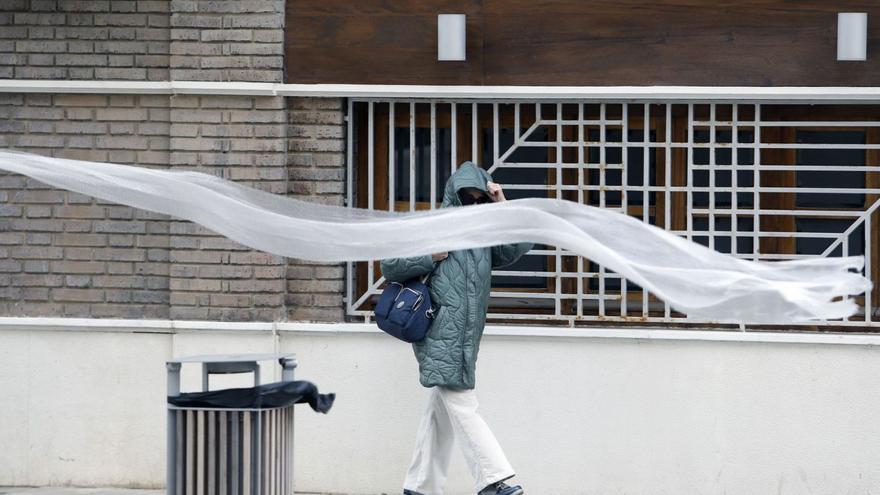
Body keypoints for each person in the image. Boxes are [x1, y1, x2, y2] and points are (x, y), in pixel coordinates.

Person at [380, 162, 533, 495]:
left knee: (442, 409)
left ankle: (419, 486)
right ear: (455, 194)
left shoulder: (482, 231)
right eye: (468, 196)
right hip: (438, 332)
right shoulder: (435, 224)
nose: (473, 202)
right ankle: (492, 480)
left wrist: (501, 201)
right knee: (463, 404)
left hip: (466, 334)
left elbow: (515, 247)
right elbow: (390, 264)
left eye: (478, 198)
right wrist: (430, 255)